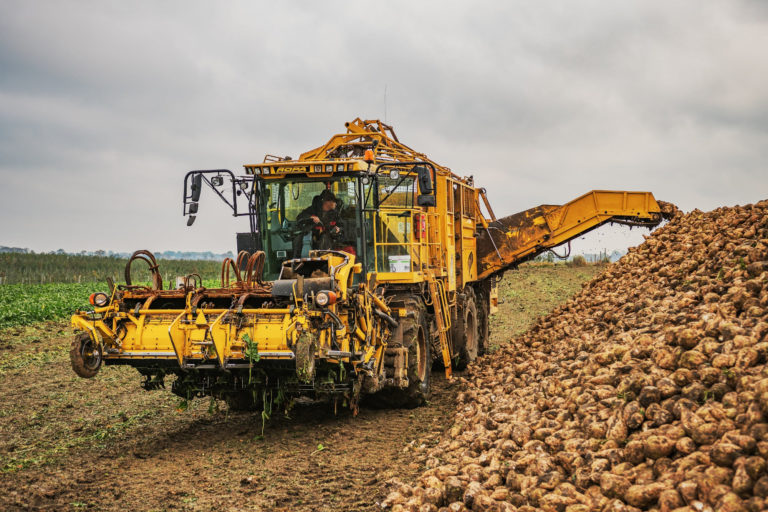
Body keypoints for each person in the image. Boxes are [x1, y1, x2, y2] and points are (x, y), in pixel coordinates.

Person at [292, 189, 342, 257]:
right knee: (298, 239)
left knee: (325, 238)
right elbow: (300, 217)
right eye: (328, 202)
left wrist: (338, 229)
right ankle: (296, 262)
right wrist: (311, 217)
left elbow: (341, 225)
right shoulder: (313, 210)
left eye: (332, 202)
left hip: (328, 241)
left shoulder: (335, 214)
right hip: (311, 238)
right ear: (322, 201)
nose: (330, 205)